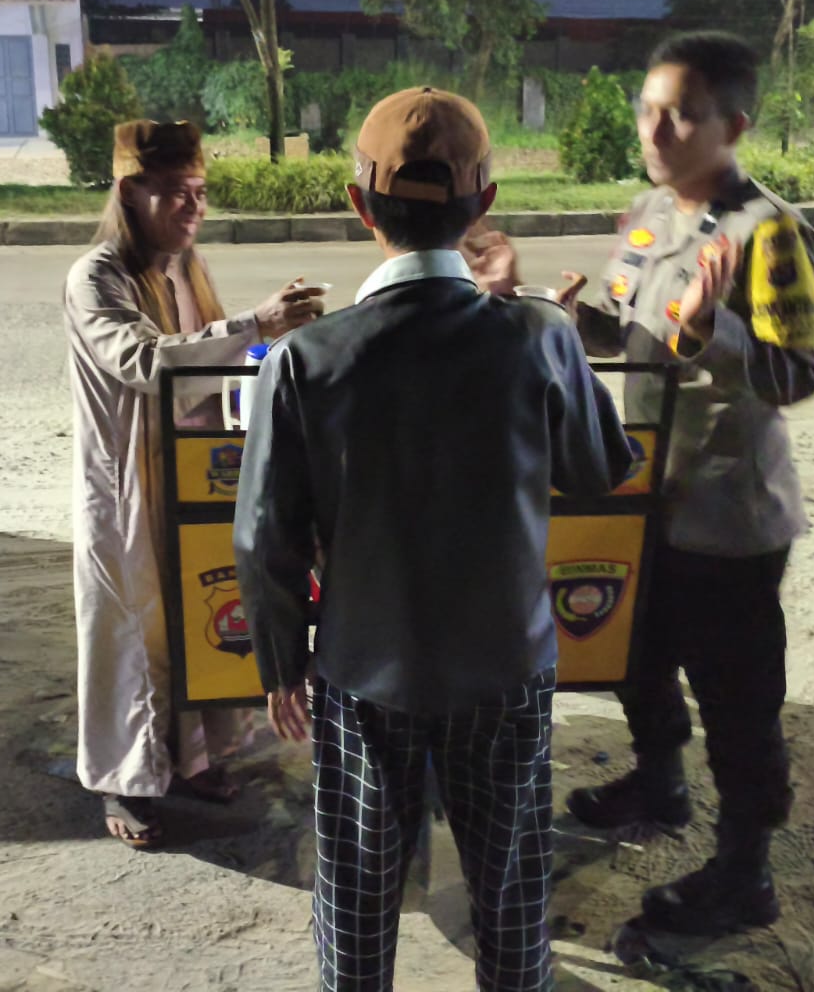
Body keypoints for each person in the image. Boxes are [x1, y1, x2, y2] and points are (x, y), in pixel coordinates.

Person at [234, 87, 633, 991]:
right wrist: (562, 339)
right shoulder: (537, 335)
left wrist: (281, 663)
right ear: (483, 203)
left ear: (358, 204)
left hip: (363, 667)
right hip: (506, 664)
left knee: (358, 881)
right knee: (510, 875)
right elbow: (599, 467)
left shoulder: (306, 358)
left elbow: (264, 537)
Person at [465, 32, 814, 936]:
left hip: (727, 513)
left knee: (738, 697)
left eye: (682, 115)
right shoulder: (649, 214)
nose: (656, 131)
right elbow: (628, 336)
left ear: (734, 125)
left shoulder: (769, 233)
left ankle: (745, 870)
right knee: (638, 652)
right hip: (641, 494)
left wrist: (711, 333)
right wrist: (540, 305)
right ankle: (659, 782)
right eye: (648, 110)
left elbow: (795, 376)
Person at [64, 119, 325, 849]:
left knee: (194, 618)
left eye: (201, 192)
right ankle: (124, 779)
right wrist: (253, 323)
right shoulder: (97, 277)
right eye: (177, 192)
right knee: (131, 633)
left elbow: (214, 364)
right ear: (130, 191)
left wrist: (273, 347)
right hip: (126, 486)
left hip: (193, 470)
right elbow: (147, 362)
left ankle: (192, 761)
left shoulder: (185, 266)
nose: (193, 206)